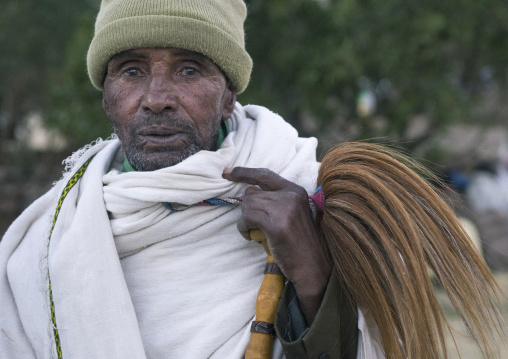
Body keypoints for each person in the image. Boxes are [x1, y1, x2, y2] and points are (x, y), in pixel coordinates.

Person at [0, 1, 361, 358]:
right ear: (106, 98)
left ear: (228, 98)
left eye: (188, 70)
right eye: (131, 71)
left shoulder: (316, 202)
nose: (157, 100)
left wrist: (315, 278)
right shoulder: (42, 246)